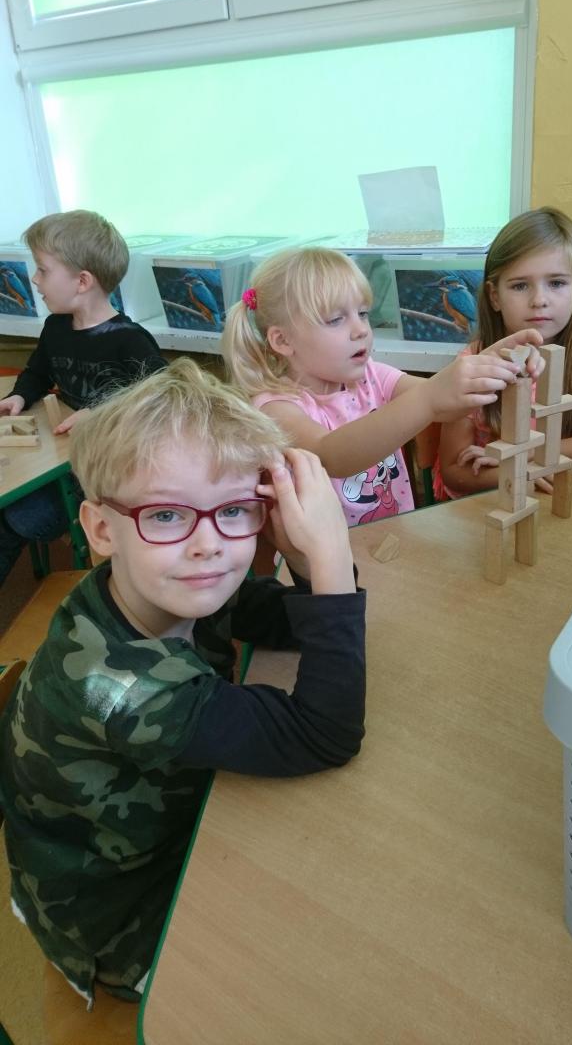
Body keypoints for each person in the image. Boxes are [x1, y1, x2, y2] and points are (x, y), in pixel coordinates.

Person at [0, 357, 365, 1007]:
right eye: (166, 515)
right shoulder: (121, 688)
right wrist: (330, 554)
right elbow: (325, 735)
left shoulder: (166, 581)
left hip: (164, 832)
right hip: (117, 918)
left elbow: (286, 623)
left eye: (236, 509)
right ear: (101, 530)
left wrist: (305, 554)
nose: (208, 545)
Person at [222, 246, 545, 526]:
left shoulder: (371, 376)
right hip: (322, 563)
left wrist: (493, 366)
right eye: (336, 319)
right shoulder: (276, 408)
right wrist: (430, 399)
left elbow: (447, 406)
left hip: (389, 535)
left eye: (363, 313)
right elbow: (330, 455)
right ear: (283, 340)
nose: (361, 330)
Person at [0, 210, 165, 585]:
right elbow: (38, 371)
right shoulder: (55, 326)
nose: (34, 279)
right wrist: (20, 396)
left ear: (82, 281)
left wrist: (101, 413)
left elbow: (161, 396)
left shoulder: (129, 340)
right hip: (62, 456)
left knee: (22, 518)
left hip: (104, 473)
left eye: (43, 270)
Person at [435, 207, 572, 499]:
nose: (539, 300)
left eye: (557, 283)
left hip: (544, 496)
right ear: (495, 296)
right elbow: (455, 474)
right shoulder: (474, 364)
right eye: (520, 285)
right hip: (484, 502)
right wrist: (522, 474)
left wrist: (530, 452)